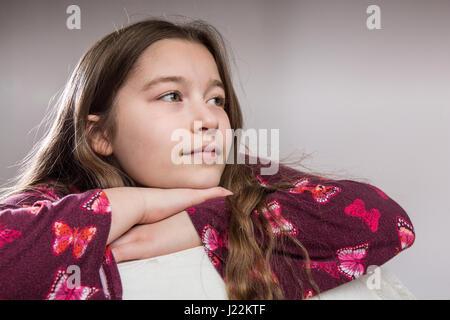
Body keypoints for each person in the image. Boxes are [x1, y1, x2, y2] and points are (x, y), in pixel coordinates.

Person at [0, 17, 415, 300]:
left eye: (216, 99)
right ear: (101, 133)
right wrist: (133, 205)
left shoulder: (243, 179)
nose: (208, 119)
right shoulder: (54, 200)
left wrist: (202, 220)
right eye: (171, 96)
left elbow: (389, 221)